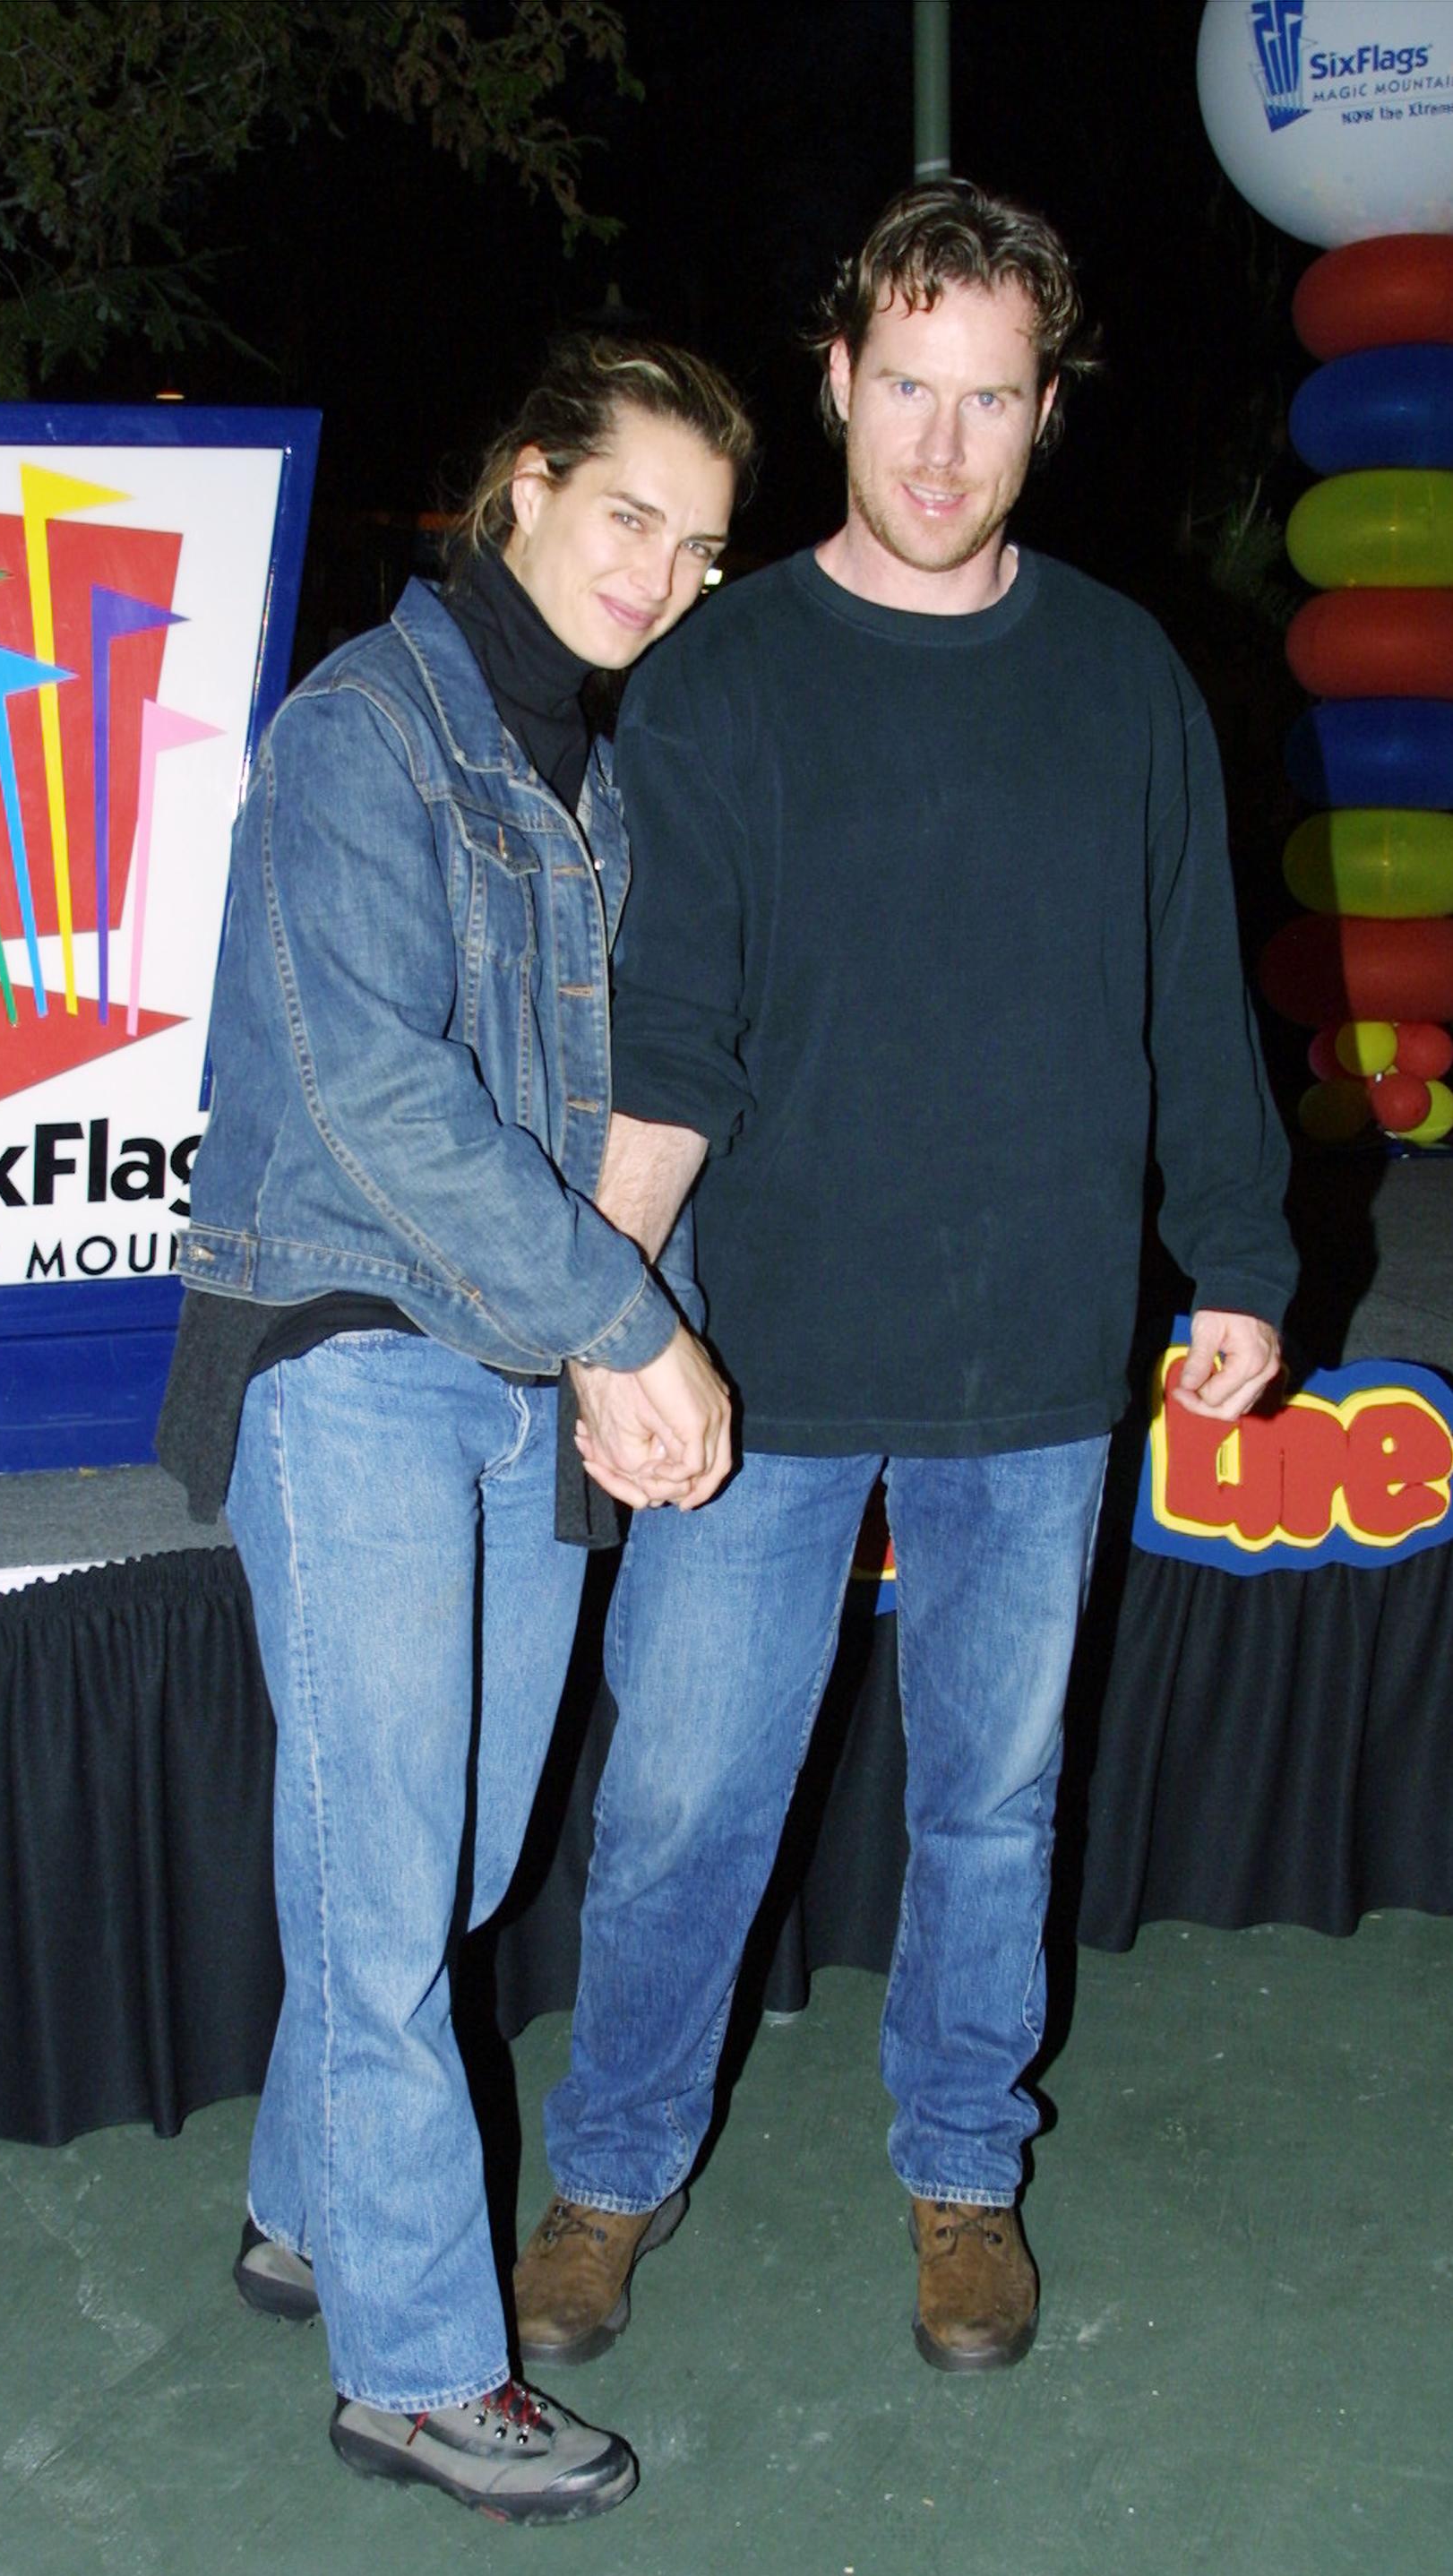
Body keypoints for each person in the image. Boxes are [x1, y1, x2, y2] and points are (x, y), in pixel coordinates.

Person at [512, 183, 1297, 2380]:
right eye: (907, 391)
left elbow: (1188, 999)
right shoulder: (727, 670)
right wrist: (605, 1308)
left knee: (994, 1801)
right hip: (755, 1357)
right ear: (837, 379)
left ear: (1047, 414)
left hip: (1038, 1357)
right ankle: (610, 2171)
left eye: (993, 401)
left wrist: (1236, 1252)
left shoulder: (1130, 680)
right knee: (683, 1798)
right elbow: (667, 1039)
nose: (943, 448)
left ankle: (966, 2172)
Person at [156, 335, 750, 2520]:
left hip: (520, 1367)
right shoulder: (358, 731)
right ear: (523, 486)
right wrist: (629, 1323)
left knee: (458, 1863)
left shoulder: (599, 777)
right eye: (630, 521)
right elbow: (380, 1094)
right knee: (391, 1872)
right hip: (347, 1351)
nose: (664, 579)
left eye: (699, 552)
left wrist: (628, 1330)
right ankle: (415, 2364)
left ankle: (313, 2201)